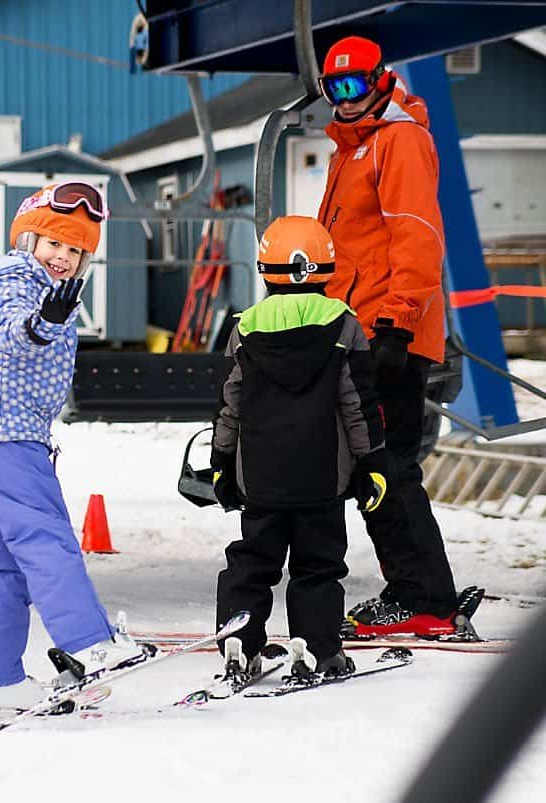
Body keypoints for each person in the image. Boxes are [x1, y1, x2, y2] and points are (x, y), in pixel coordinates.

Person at [0, 182, 144, 712]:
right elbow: (14, 330)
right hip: (6, 432)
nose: (63, 257)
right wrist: (43, 324)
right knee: (44, 538)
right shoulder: (16, 280)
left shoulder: (30, 283)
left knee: (5, 557)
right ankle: (91, 643)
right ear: (27, 241)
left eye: (76, 250)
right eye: (53, 243)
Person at [317, 35, 471, 637]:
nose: (345, 100)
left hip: (389, 333)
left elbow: (416, 235)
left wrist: (396, 323)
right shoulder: (352, 149)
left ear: (380, 81)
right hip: (357, 331)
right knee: (373, 466)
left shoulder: (398, 140)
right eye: (335, 88)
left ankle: (424, 596)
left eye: (355, 86)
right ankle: (416, 589)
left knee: (389, 464)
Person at [211, 215, 388, 680]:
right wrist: (372, 464)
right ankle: (321, 649)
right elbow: (358, 407)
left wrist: (221, 463)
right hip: (322, 478)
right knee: (318, 565)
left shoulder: (245, 328)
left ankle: (238, 642)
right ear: (326, 269)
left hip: (261, 477)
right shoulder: (345, 328)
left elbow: (231, 406)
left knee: (252, 560)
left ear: (266, 270)